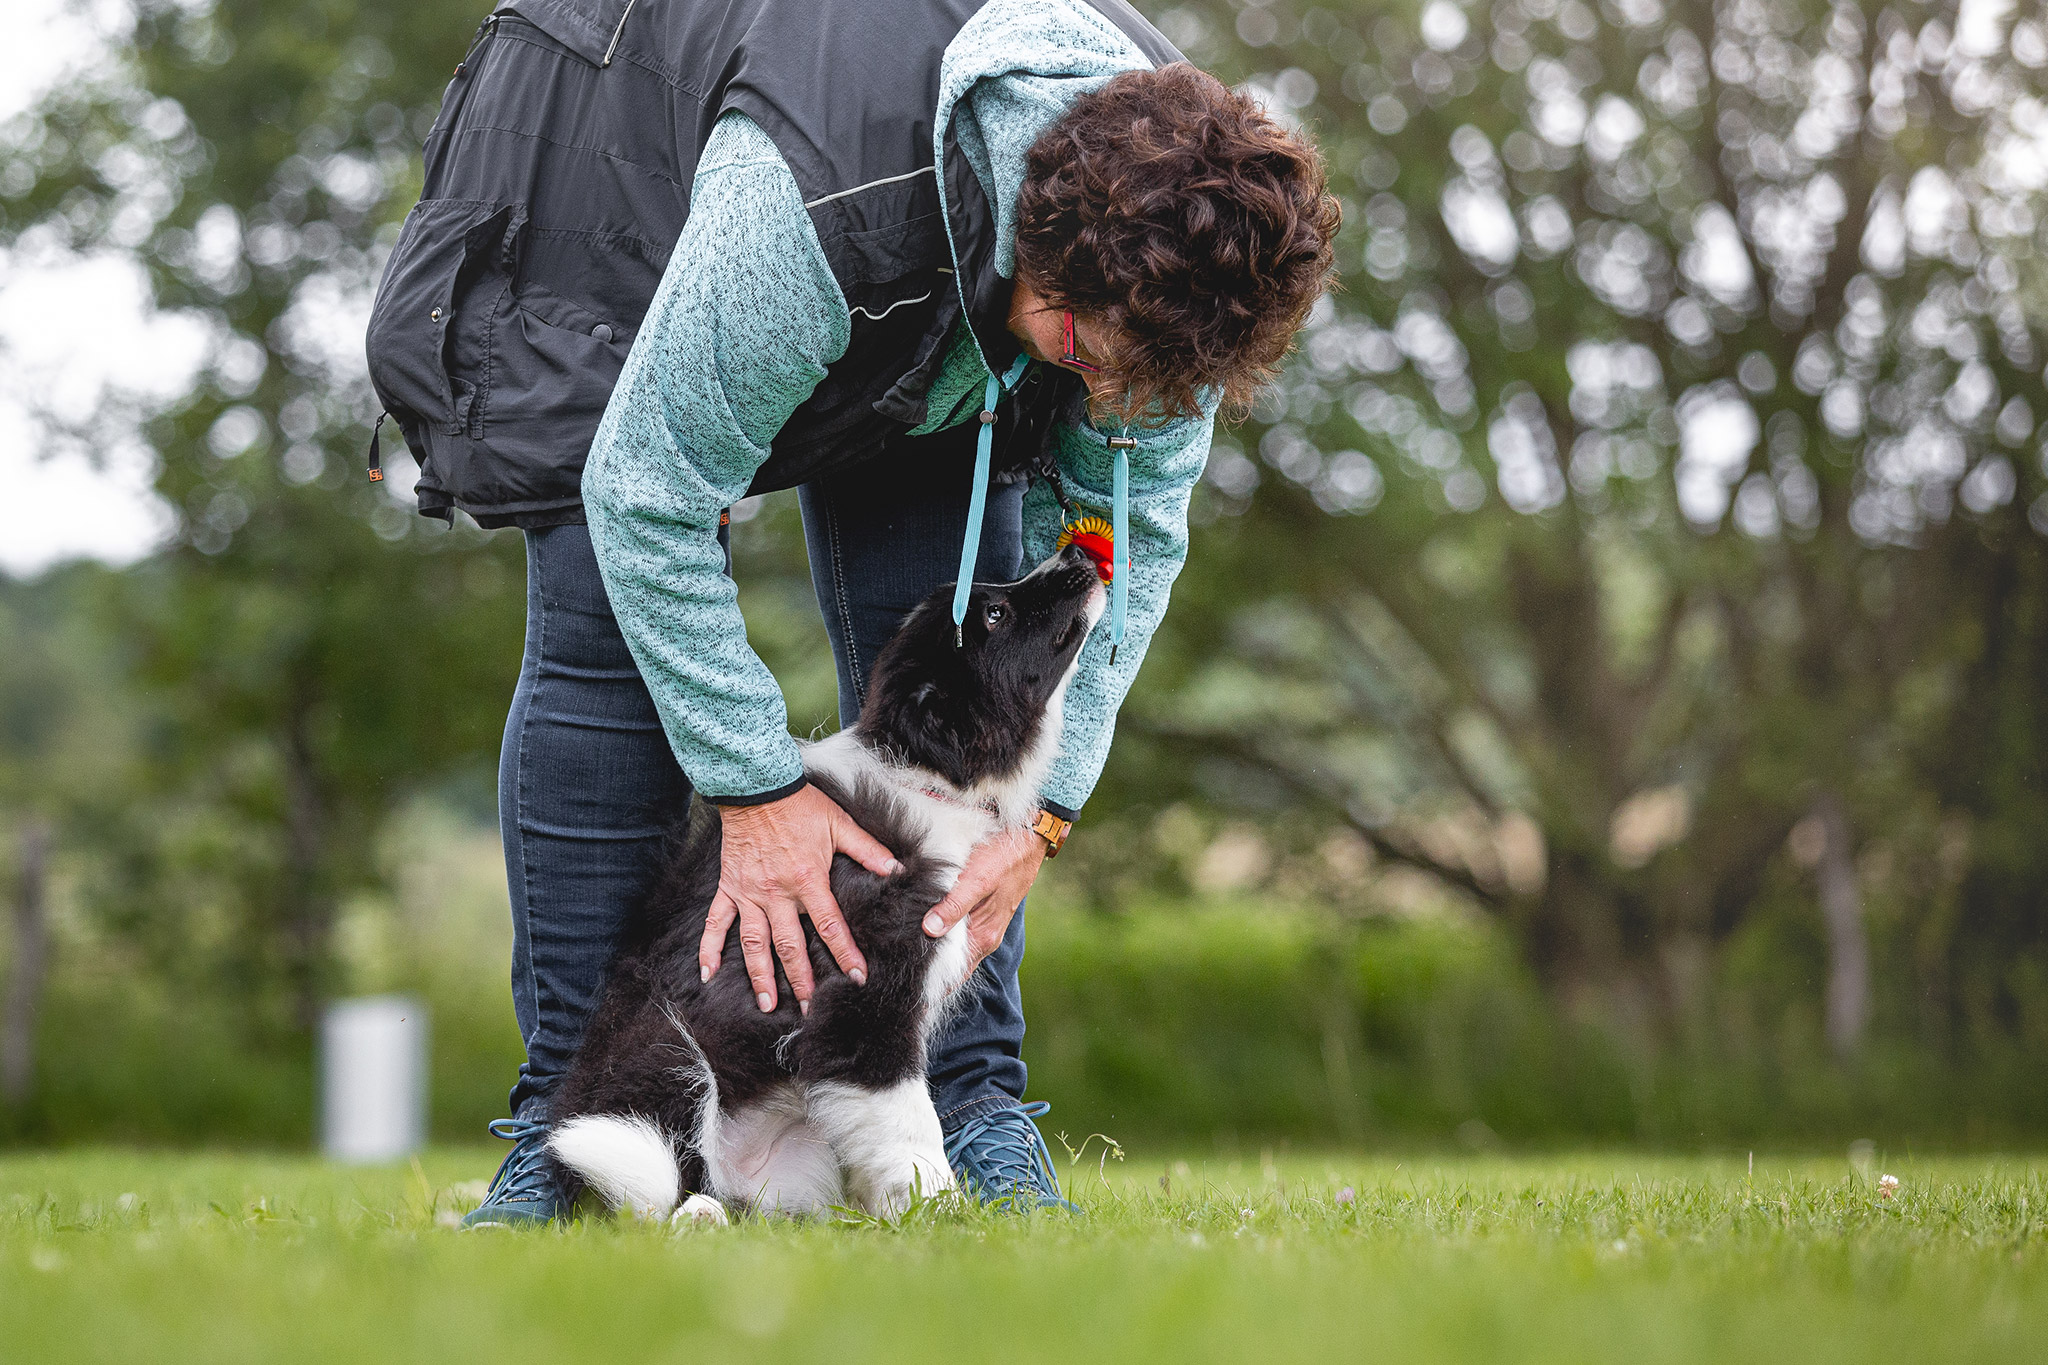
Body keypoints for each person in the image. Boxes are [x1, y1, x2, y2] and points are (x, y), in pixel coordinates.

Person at [365, 0, 1338, 1227]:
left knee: (948, 659)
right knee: (607, 623)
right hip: (611, 180)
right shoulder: (825, 207)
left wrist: (1034, 818)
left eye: (1144, 379)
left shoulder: (1180, 276)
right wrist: (754, 790)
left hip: (916, 264)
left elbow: (1124, 545)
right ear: (1042, 250)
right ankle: (564, 1129)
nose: (1108, 390)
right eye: (1091, 348)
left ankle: (973, 1108)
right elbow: (645, 492)